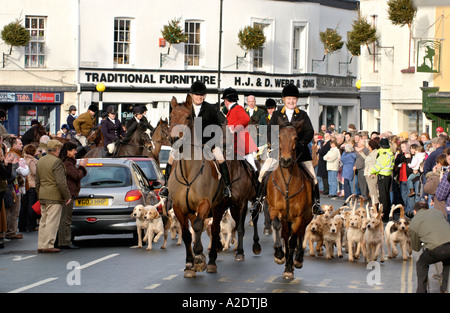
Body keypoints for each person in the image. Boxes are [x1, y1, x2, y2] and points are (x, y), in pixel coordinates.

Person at [253, 84, 324, 215]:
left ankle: (316, 204)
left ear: (297, 100)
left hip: (300, 153)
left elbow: (309, 131)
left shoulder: (302, 115)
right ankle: (258, 202)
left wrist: (302, 143)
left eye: (293, 99)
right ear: (284, 99)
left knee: (313, 177)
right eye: (288, 99)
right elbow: (269, 131)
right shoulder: (277, 115)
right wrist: (275, 144)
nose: (291, 101)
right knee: (262, 173)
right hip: (279, 152)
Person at [159, 80, 231, 199]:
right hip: (187, 144)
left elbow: (218, 126)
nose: (199, 97)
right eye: (197, 95)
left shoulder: (210, 108)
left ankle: (226, 187)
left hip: (207, 143)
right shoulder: (185, 108)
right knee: (172, 156)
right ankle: (166, 186)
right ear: (191, 95)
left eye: (202, 95)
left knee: (220, 157)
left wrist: (211, 142)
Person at [35, 140, 72, 253]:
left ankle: (41, 244)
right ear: (57, 149)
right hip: (54, 196)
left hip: (43, 194)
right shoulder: (57, 162)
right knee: (52, 221)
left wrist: (39, 193)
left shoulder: (41, 160)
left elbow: (37, 181)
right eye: (59, 149)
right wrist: (67, 196)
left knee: (43, 221)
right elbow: (61, 182)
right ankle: (48, 245)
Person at [409, 200, 450, 293]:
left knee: (421, 263)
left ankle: (421, 290)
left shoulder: (413, 222)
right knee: (448, 261)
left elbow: (416, 247)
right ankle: (444, 289)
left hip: (436, 249)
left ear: (415, 211)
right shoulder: (438, 212)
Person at [57, 142, 88, 249]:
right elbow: (76, 176)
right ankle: (64, 242)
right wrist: (82, 167)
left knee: (65, 218)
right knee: (66, 218)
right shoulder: (67, 163)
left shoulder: (68, 162)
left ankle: (63, 240)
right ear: (68, 151)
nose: (75, 152)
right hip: (68, 193)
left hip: (68, 193)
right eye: (73, 150)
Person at [222, 87, 258, 172]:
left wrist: (234, 128)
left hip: (244, 144)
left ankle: (259, 181)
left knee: (253, 168)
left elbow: (246, 118)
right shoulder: (232, 110)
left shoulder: (238, 108)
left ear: (226, 101)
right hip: (236, 144)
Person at [370, 138, 394, 221]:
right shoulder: (390, 153)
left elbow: (377, 166)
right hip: (387, 176)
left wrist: (371, 171)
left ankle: (384, 215)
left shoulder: (383, 155)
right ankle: (387, 214)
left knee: (383, 198)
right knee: (386, 196)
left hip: (383, 177)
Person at [19, 144, 39, 232]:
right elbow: (35, 172)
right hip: (32, 185)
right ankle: (31, 225)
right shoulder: (32, 161)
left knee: (24, 206)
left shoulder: (23, 159)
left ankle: (22, 225)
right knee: (32, 206)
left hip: (25, 185)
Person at [423, 153, 448, 218]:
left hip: (441, 211)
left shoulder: (437, 177)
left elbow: (427, 188)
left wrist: (433, 175)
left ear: (439, 163)